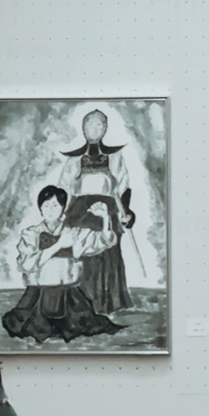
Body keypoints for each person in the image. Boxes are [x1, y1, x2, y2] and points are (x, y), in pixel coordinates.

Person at [2, 186, 122, 345]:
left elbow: (104, 240)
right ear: (40, 208)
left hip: (69, 295)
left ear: (63, 208)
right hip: (38, 295)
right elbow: (26, 264)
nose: (50, 210)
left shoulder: (73, 233)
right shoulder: (31, 234)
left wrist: (105, 218)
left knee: (83, 326)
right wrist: (58, 245)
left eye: (55, 205)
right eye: (46, 205)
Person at [60, 109, 136, 314]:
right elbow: (64, 187)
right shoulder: (74, 159)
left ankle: (108, 302)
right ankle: (80, 302)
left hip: (108, 208)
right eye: (89, 124)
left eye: (99, 125)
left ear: (105, 128)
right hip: (80, 210)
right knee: (81, 252)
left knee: (108, 252)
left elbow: (123, 185)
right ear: (83, 128)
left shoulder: (115, 157)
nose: (93, 129)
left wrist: (126, 211)